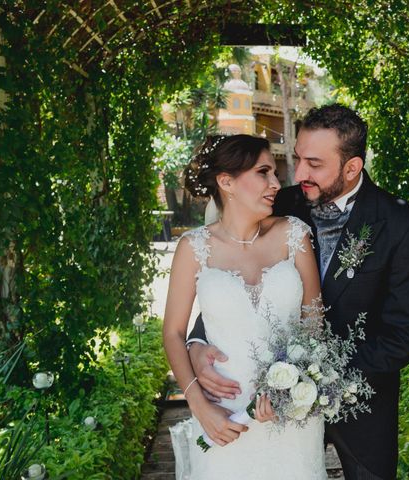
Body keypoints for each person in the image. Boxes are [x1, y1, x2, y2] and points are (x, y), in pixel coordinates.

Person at [187, 104, 409, 479]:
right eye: (297, 158)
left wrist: (314, 380)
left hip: (362, 410)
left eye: (314, 164)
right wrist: (198, 343)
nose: (298, 173)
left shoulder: (402, 224)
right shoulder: (275, 203)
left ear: (352, 168)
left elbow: (404, 334)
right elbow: (234, 278)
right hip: (266, 410)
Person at [162, 134, 328, 479]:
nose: (275, 183)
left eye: (274, 173)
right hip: (223, 414)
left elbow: (314, 322)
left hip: (291, 417)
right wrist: (200, 406)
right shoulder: (193, 248)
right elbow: (174, 333)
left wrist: (292, 390)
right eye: (263, 172)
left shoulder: (294, 235)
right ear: (227, 182)